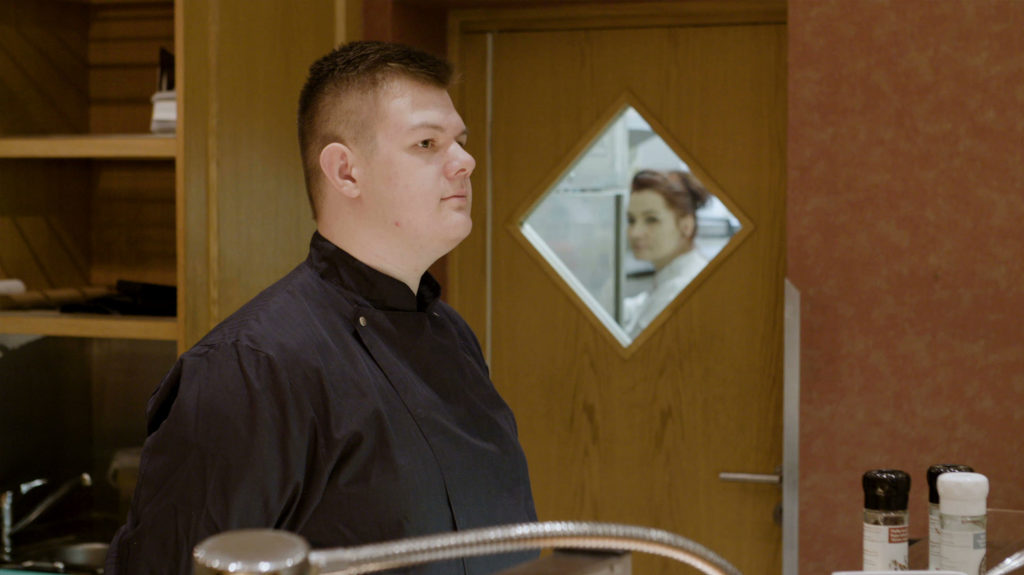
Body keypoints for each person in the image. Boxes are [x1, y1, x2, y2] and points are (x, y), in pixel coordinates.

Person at [105, 41, 537, 574]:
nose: (465, 161)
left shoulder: (453, 336)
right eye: (428, 143)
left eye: (461, 141)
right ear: (345, 172)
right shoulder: (251, 368)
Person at [621, 169, 711, 338]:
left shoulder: (679, 290)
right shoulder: (671, 277)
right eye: (631, 220)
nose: (634, 232)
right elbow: (642, 305)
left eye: (651, 220)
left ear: (686, 226)